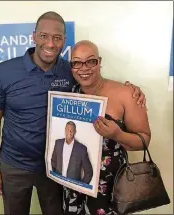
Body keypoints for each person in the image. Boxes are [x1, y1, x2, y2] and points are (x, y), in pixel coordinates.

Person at [0, 11, 146, 215]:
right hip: (14, 165)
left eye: (57, 38)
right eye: (44, 36)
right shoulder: (4, 72)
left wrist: (133, 91)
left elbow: (98, 85)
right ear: (33, 36)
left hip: (56, 169)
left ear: (64, 41)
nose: (50, 44)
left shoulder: (70, 71)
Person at [63, 40, 151, 215]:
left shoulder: (126, 94)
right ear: (71, 66)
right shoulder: (68, 94)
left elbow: (144, 140)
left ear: (99, 62)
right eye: (77, 63)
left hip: (110, 185)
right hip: (74, 182)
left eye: (91, 61)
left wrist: (117, 135)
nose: (84, 68)